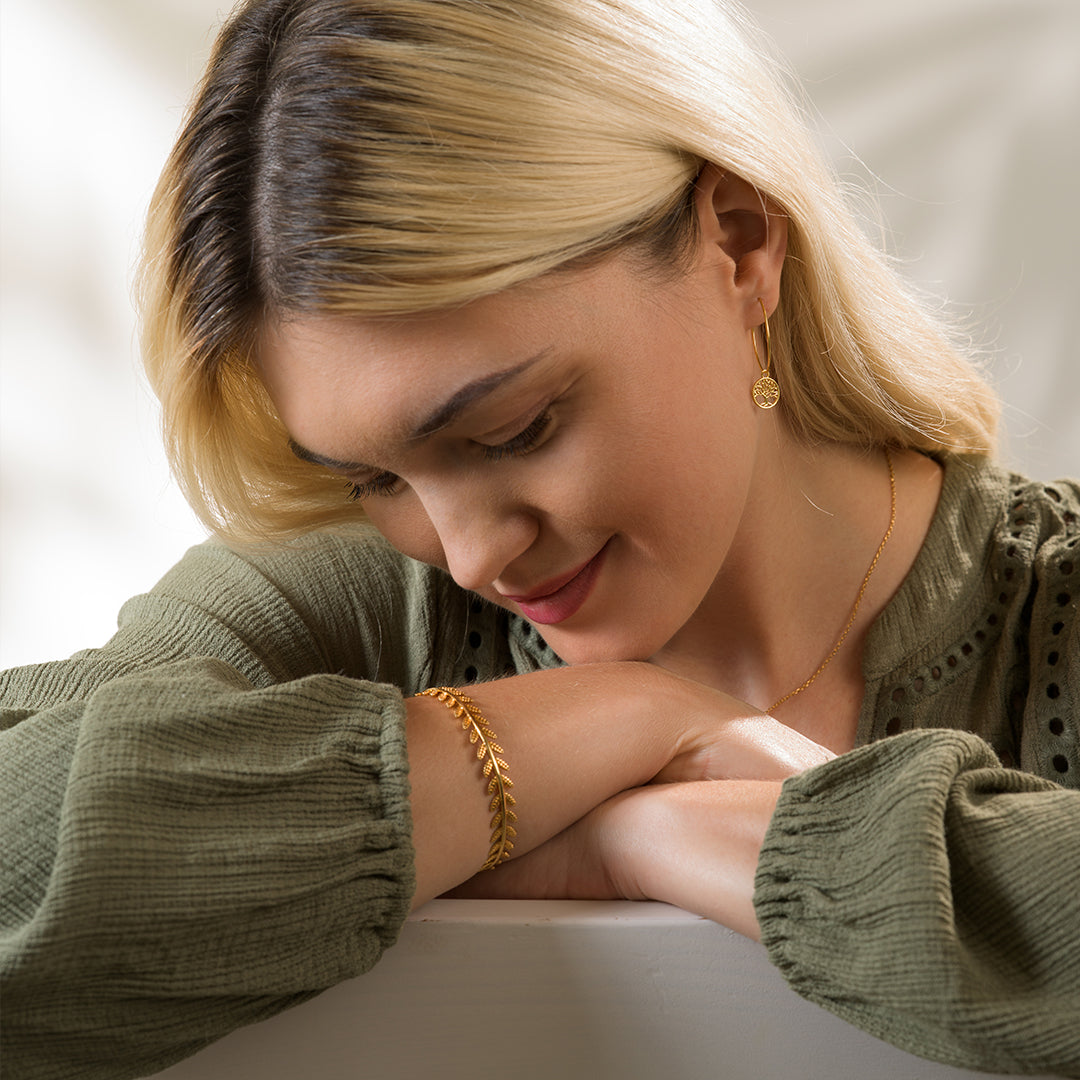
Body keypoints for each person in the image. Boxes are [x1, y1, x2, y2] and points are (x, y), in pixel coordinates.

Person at [1, 0, 1077, 1077]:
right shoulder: (338, 613)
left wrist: (757, 842)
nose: (470, 557)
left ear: (740, 243)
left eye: (515, 428)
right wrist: (605, 726)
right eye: (375, 477)